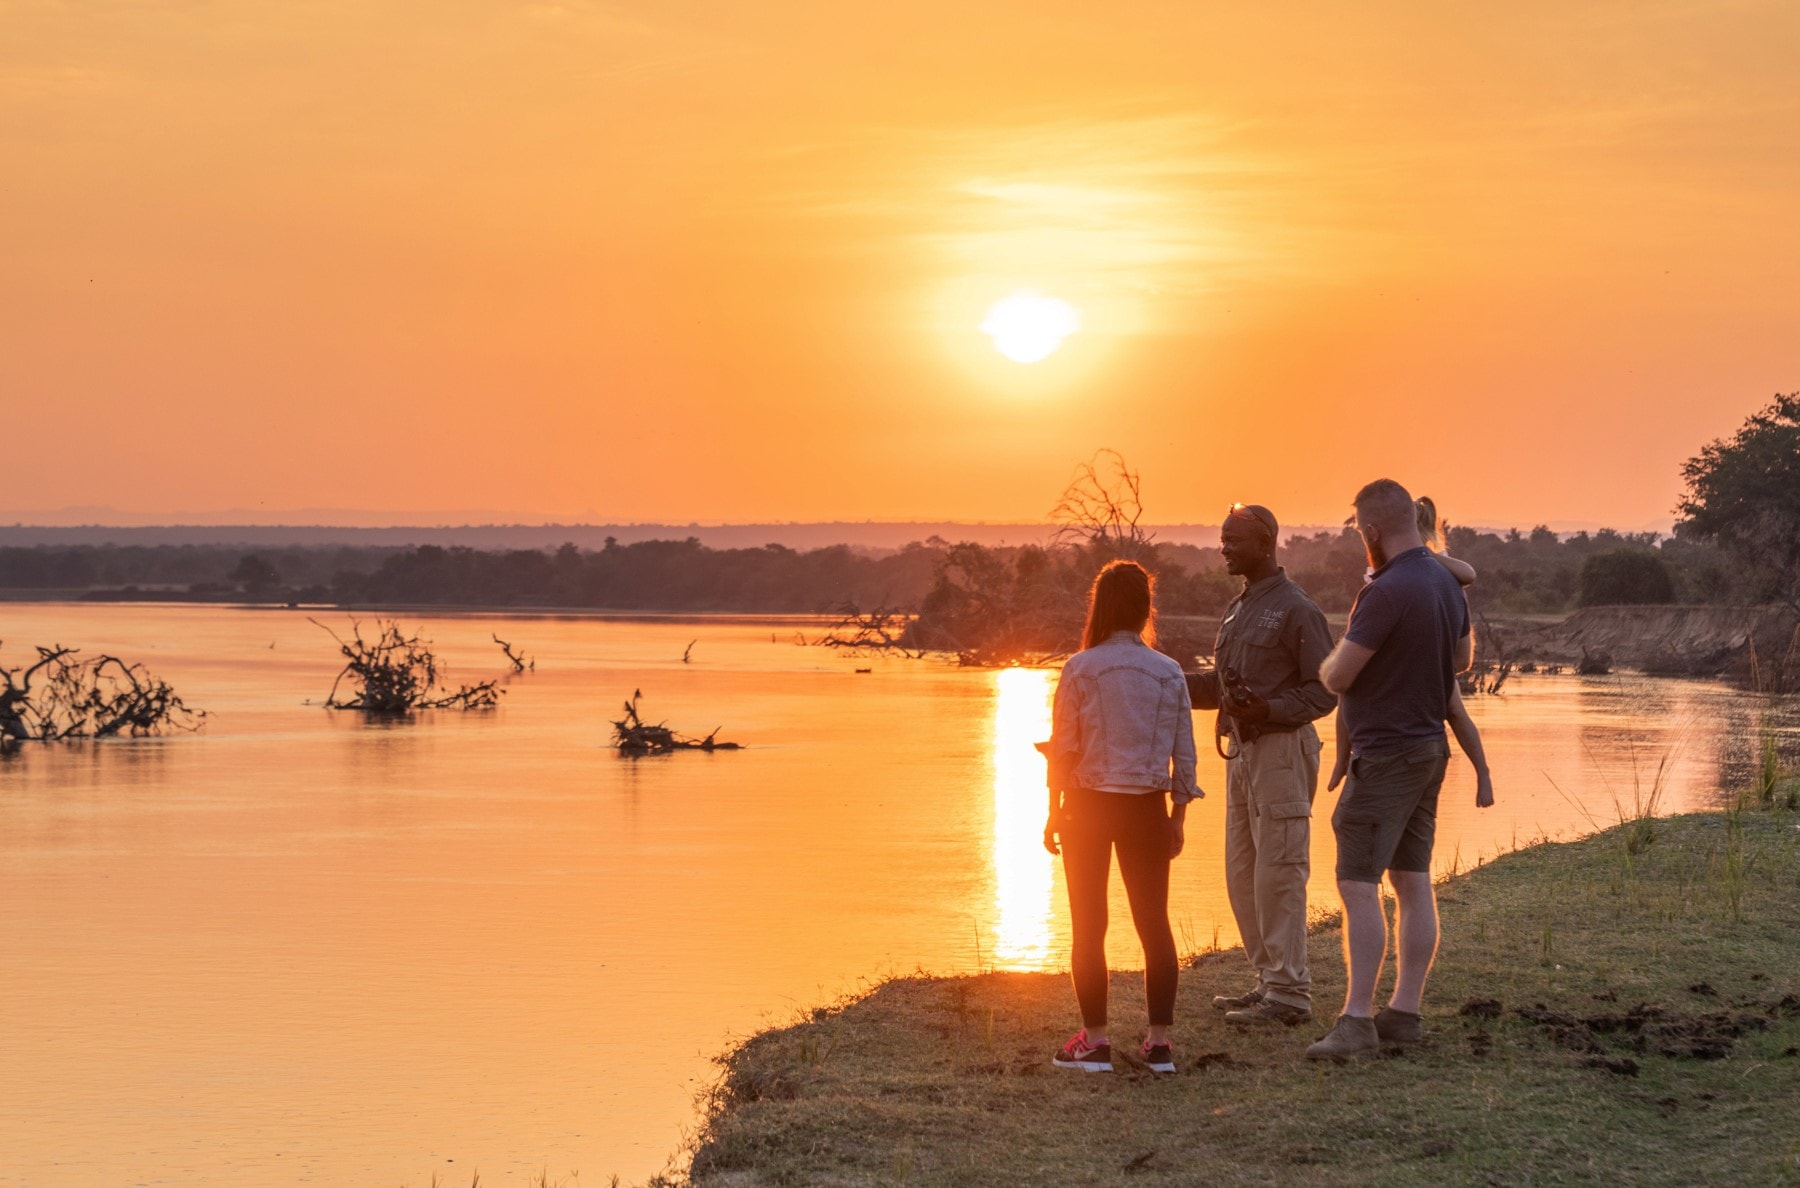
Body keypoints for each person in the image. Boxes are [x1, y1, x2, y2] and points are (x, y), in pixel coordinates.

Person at [1308, 478, 1473, 1061]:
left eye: (1359, 533)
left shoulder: (1385, 591)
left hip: (1386, 756)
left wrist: (1345, 656)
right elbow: (1462, 661)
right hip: (1429, 748)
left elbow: (1337, 677)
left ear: (1372, 531)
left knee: (1357, 885)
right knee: (1411, 881)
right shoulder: (1447, 584)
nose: (1360, 542)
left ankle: (1356, 1022)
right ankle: (1405, 1011)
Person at [1041, 559, 1200, 1074]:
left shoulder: (1080, 667)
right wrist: (1177, 817)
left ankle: (1095, 1042)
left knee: (1089, 926)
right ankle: (1158, 1046)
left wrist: (1051, 812)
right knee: (1155, 925)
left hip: (1088, 808)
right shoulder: (1169, 670)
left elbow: (1064, 748)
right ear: (1144, 609)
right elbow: (1185, 753)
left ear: (1101, 607)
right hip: (1146, 808)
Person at [1185, 503, 1336, 1027]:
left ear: (1266, 542)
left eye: (1234, 541)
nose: (1224, 548)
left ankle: (1291, 995)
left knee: (1280, 873)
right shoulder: (1238, 607)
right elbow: (1220, 689)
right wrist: (1158, 681)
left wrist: (1268, 710)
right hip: (1243, 754)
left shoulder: (1298, 610)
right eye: (1223, 539)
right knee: (1243, 873)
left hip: (1282, 752)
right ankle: (1269, 981)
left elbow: (1324, 691)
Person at [1329, 496, 1495, 810]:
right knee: (1347, 694)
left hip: (1429, 651)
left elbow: (1468, 574)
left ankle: (1483, 772)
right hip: (1405, 649)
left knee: (1456, 711)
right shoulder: (1390, 569)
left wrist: (1429, 558)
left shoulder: (1434, 561)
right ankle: (1341, 760)